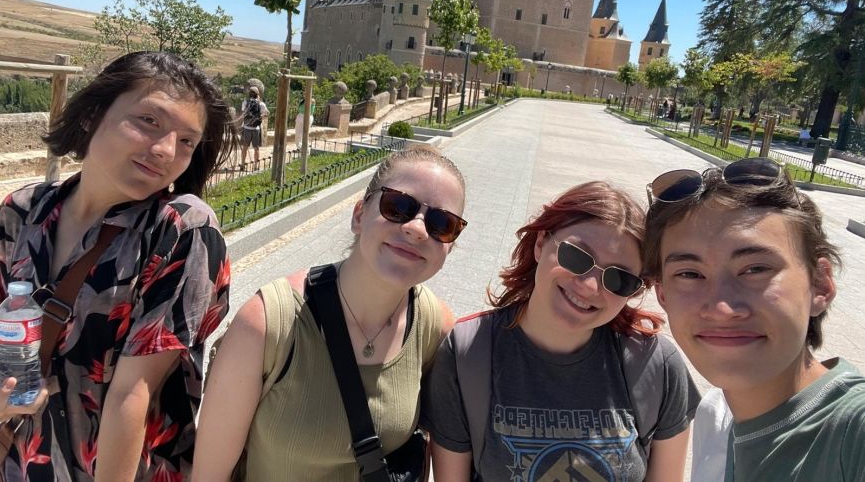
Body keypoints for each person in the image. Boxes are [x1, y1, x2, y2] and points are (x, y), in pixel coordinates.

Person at [0, 51, 236, 481]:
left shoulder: (180, 230)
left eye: (187, 141)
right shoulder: (22, 212)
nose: (166, 151)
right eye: (149, 121)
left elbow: (134, 391)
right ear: (92, 115)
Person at [193, 145, 465, 481]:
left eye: (443, 223)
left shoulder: (434, 326)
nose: (418, 229)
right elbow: (209, 475)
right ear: (358, 216)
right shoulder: (268, 324)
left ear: (450, 246)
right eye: (398, 206)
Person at [424, 181, 700, 481]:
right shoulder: (468, 352)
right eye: (577, 257)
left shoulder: (656, 365)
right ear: (541, 243)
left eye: (619, 279)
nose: (591, 286)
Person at [643, 157, 865, 481]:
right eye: (690, 274)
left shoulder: (853, 435)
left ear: (820, 284)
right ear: (662, 294)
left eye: (755, 269)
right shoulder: (720, 420)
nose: (722, 308)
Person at [240, 86, 268, 169]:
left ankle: (242, 164)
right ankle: (256, 166)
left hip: (246, 128)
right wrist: (259, 116)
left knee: (245, 147)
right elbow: (266, 113)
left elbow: (243, 111)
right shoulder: (261, 103)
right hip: (256, 129)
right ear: (257, 94)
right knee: (256, 148)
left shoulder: (245, 102)